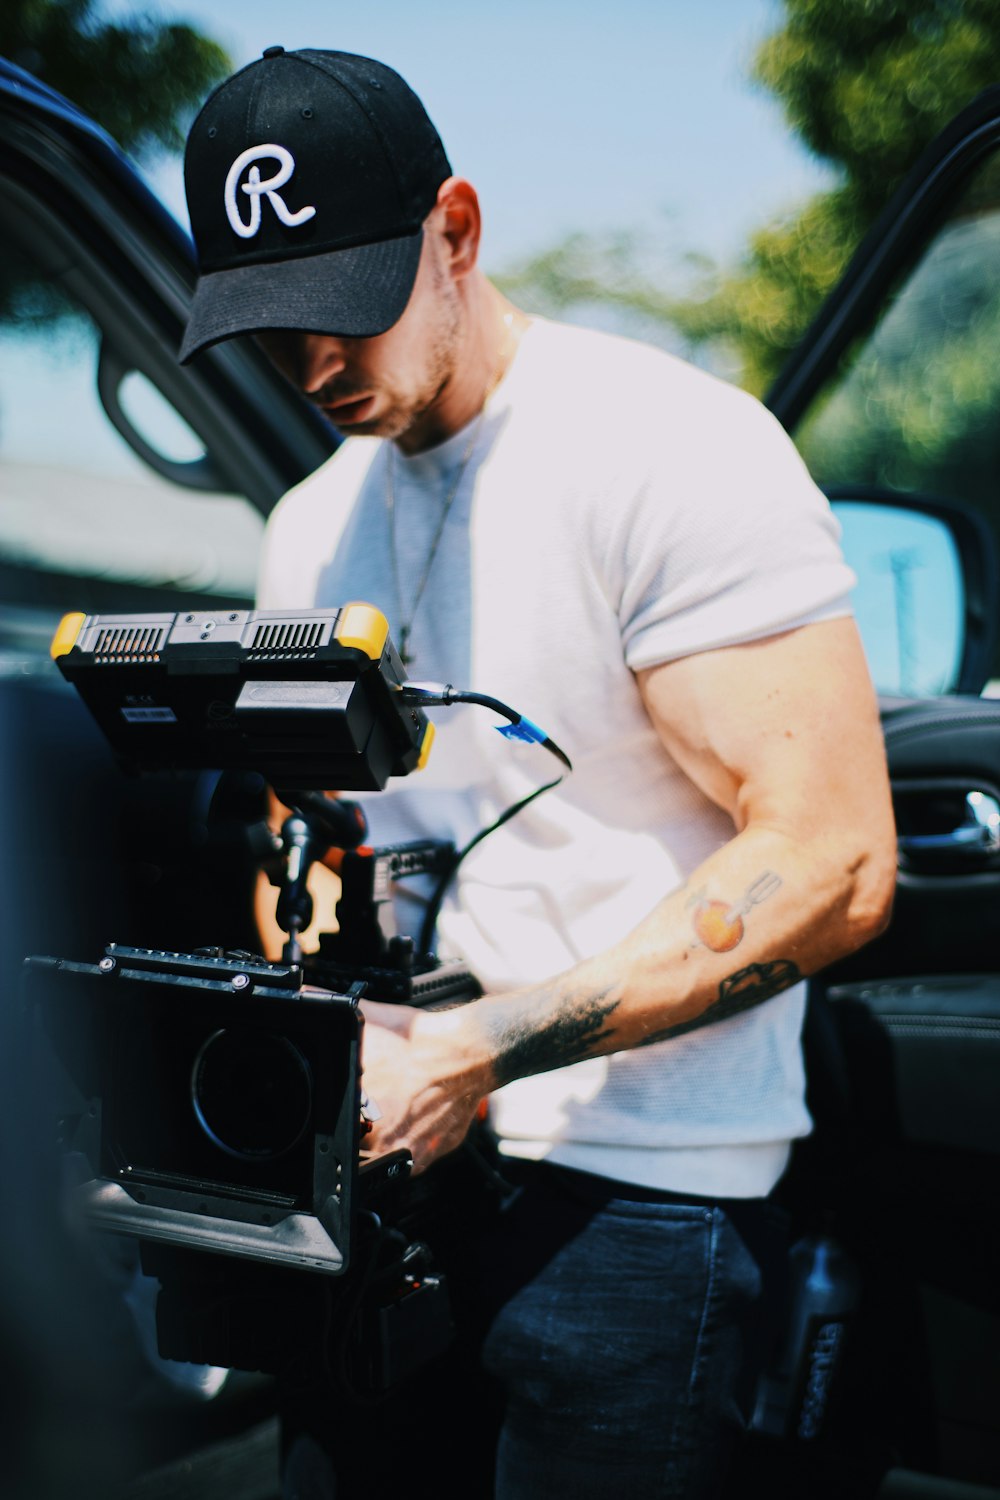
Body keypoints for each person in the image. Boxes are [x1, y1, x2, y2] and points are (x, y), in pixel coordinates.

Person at [179, 46, 897, 1499]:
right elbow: (297, 834)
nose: (313, 365)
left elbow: (835, 860)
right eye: (267, 329)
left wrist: (483, 1044)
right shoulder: (310, 528)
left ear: (456, 231)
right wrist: (332, 1034)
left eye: (341, 311)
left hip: (641, 1191)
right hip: (387, 1174)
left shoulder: (672, 454)